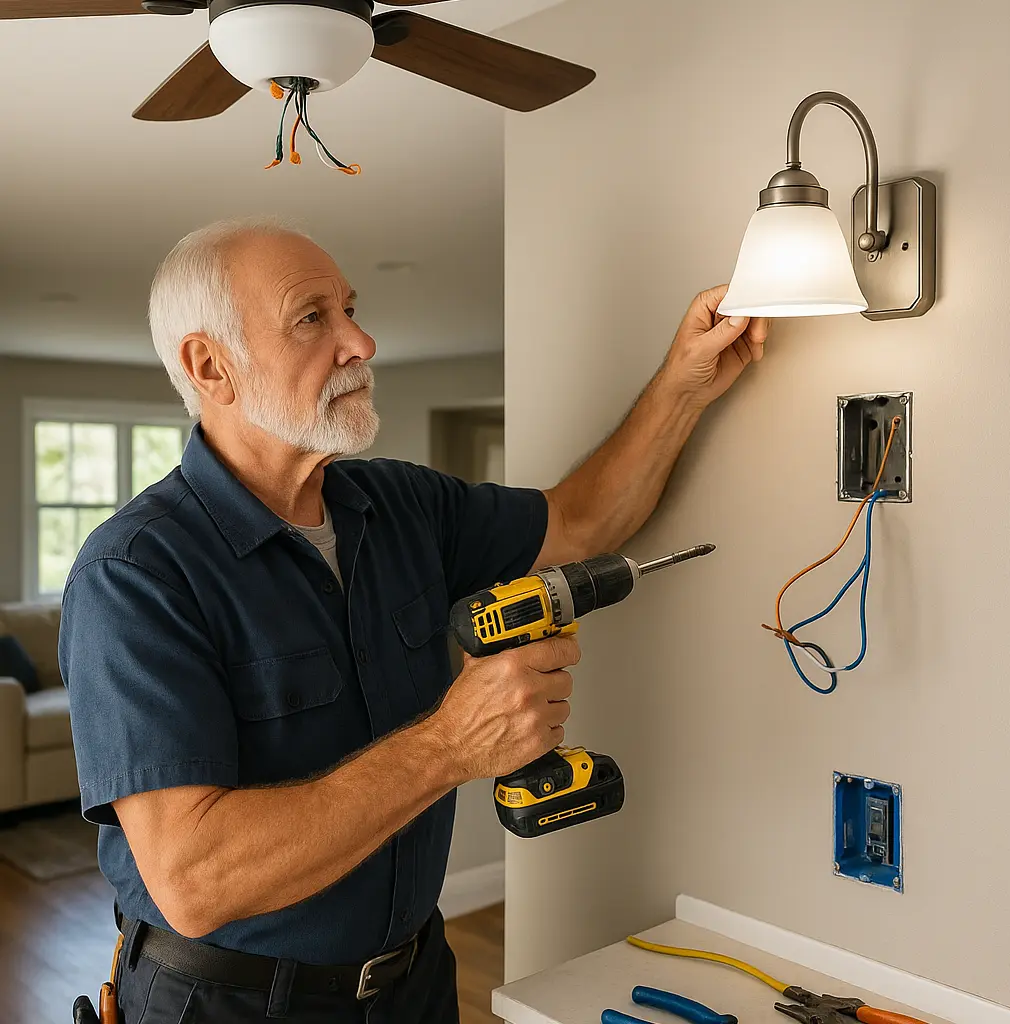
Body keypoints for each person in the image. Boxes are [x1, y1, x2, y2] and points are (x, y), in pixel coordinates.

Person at [58, 218, 768, 1024]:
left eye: (350, 309)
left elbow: (579, 523)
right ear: (210, 365)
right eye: (312, 318)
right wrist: (451, 744)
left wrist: (683, 383)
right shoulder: (137, 575)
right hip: (230, 1005)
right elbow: (194, 881)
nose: (360, 341)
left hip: (415, 984)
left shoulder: (400, 506)